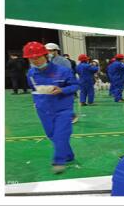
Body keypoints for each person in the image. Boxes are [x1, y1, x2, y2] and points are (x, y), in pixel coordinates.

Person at [23, 41, 79, 173]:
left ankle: (59, 160)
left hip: (63, 109)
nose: (35, 61)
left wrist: (62, 90)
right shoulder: (31, 73)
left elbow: (75, 85)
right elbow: (34, 89)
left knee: (61, 135)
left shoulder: (63, 71)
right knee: (51, 135)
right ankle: (68, 155)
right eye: (31, 58)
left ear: (45, 55)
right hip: (43, 110)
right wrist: (37, 102)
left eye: (38, 57)